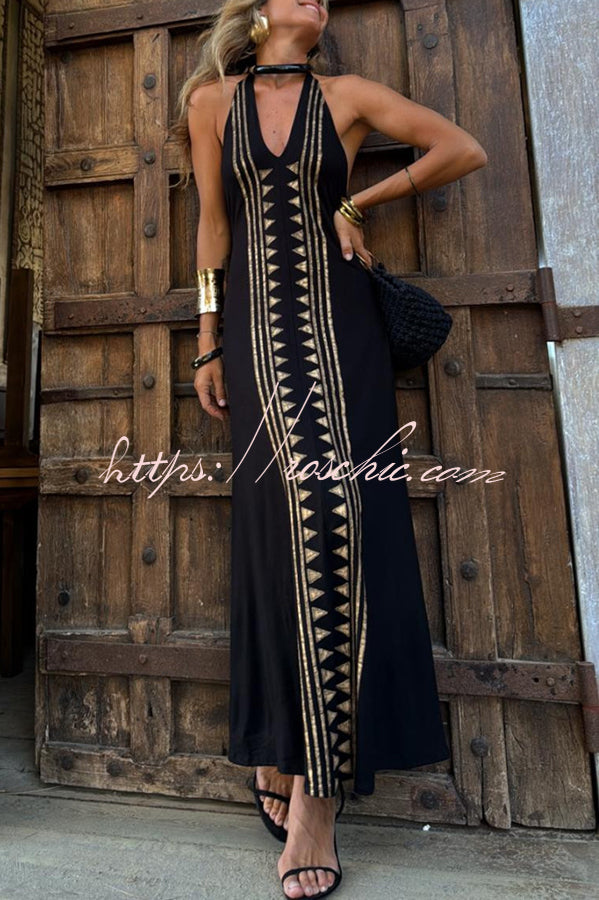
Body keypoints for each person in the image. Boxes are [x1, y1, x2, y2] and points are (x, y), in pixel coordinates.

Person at [173, 1, 487, 896]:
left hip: (342, 336)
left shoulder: (346, 95)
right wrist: (206, 340)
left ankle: (317, 795)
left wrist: (358, 200)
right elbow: (212, 224)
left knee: (345, 527)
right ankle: (279, 741)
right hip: (252, 339)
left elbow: (460, 148)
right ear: (258, 12)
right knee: (274, 538)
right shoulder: (210, 102)